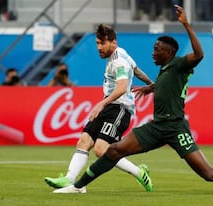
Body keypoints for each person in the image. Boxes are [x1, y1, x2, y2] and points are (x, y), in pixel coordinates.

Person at [53, 5, 213, 194]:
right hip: (156, 126)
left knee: (208, 174)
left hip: (175, 127)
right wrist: (150, 88)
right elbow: (166, 86)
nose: (153, 52)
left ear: (169, 53)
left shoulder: (180, 64)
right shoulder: (165, 70)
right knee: (113, 151)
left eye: (157, 49)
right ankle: (77, 186)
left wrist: (186, 24)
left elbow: (200, 55)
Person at [44, 23, 154, 192]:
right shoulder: (122, 52)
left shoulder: (118, 63)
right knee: (84, 141)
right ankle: (70, 180)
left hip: (119, 109)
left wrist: (101, 103)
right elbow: (137, 70)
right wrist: (150, 83)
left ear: (113, 43)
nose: (99, 47)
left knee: (101, 150)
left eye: (102, 43)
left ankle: (139, 173)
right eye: (97, 43)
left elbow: (122, 87)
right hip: (109, 106)